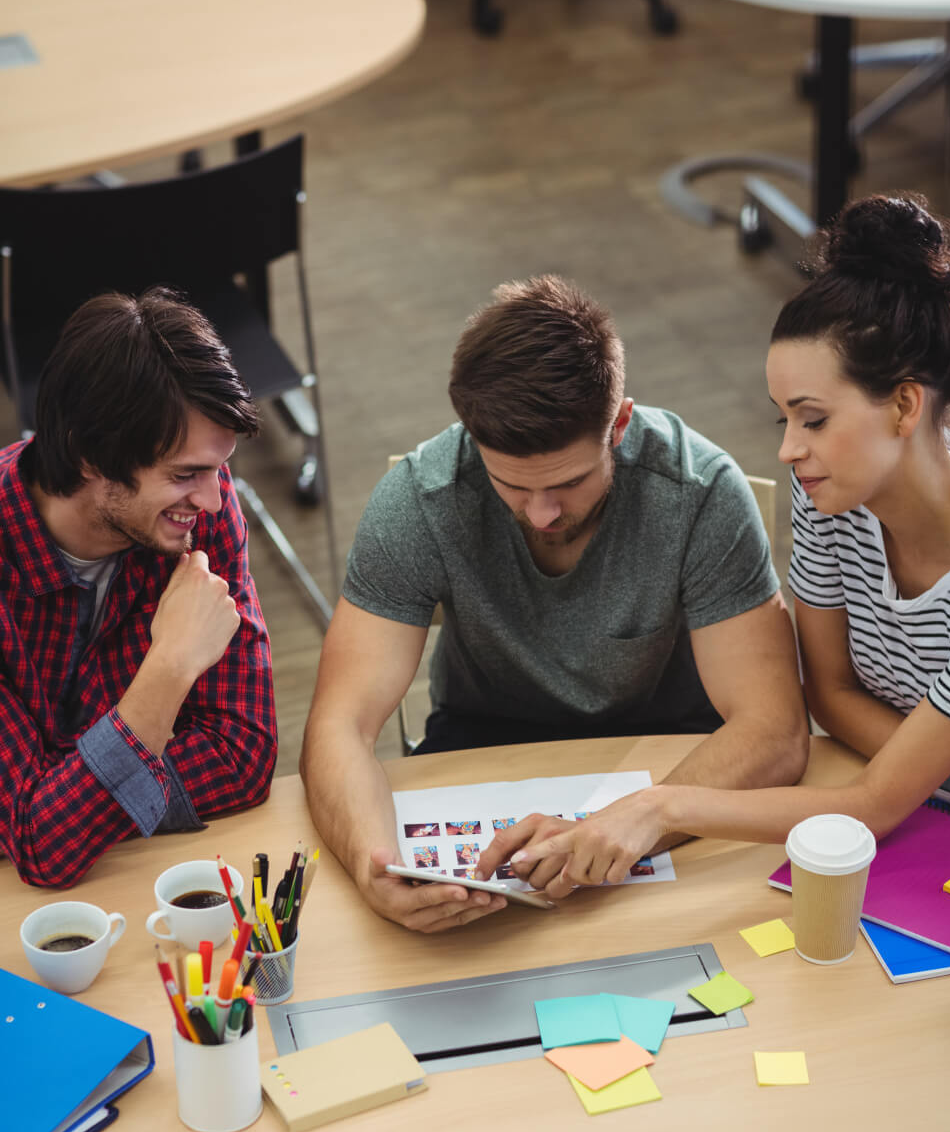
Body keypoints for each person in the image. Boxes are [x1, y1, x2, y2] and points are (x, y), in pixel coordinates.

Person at [492, 195, 950, 1132]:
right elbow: (825, 700)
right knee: (751, 1014)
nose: (786, 449)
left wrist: (662, 806)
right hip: (905, 810)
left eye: (810, 418)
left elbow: (870, 794)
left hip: (944, 858)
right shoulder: (827, 509)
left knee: (891, 1073)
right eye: (782, 418)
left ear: (906, 405)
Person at [302, 274, 808, 934]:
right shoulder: (420, 500)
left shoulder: (699, 492)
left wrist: (631, 820)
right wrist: (374, 867)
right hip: (482, 747)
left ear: (619, 424)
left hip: (671, 767)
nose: (542, 514)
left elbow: (775, 731)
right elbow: (337, 727)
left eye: (570, 483)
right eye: (511, 484)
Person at [0, 288, 277, 889]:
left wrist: (71, 792)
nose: (212, 498)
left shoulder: (201, 510)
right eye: (185, 474)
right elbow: (40, 847)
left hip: (129, 886)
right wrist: (169, 669)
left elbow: (242, 757)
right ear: (88, 457)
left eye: (218, 468)